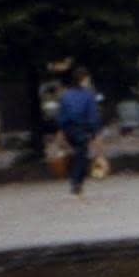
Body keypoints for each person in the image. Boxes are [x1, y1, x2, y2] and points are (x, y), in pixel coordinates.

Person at [54, 66, 103, 199]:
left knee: (76, 153)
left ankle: (75, 179)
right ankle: (76, 183)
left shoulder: (66, 95)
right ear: (84, 79)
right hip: (81, 128)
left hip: (68, 129)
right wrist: (96, 132)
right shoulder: (88, 95)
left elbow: (61, 115)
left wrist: (60, 131)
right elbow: (92, 115)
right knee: (82, 155)